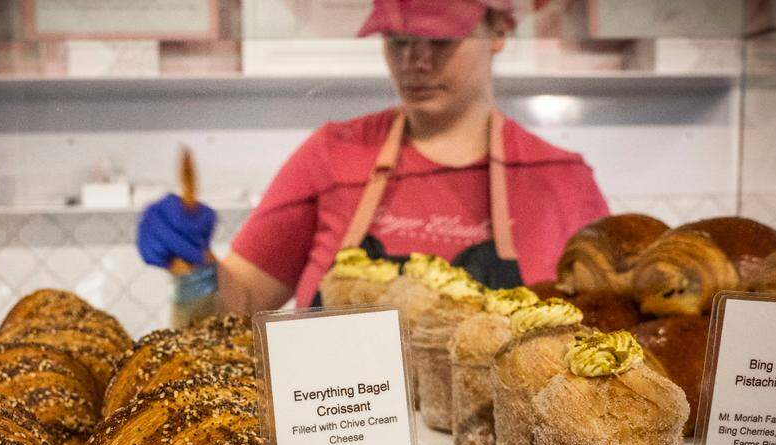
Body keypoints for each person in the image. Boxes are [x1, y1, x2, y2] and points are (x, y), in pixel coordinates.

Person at [138, 0, 609, 314]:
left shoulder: (561, 179)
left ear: (500, 29)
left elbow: (604, 339)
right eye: (398, 41)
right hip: (340, 444)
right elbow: (240, 300)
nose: (415, 62)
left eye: (440, 41)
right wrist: (197, 269)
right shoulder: (333, 155)